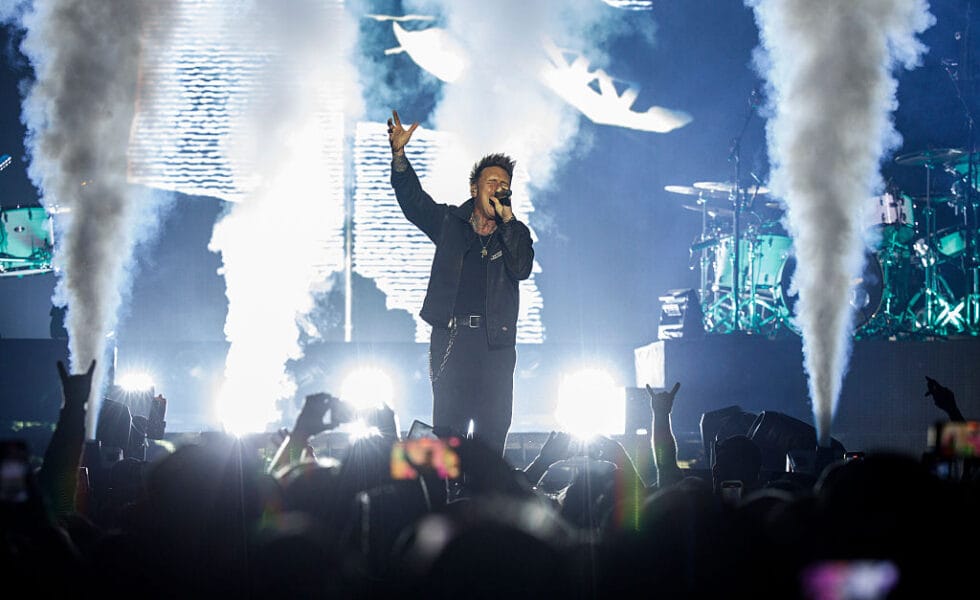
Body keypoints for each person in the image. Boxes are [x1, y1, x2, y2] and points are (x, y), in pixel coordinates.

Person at [387, 110, 534, 456]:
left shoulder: (516, 234)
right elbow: (414, 203)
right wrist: (399, 158)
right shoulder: (450, 223)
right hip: (452, 342)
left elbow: (522, 267)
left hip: (495, 346)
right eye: (491, 183)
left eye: (503, 184)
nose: (498, 189)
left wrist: (509, 221)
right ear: (474, 188)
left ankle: (484, 503)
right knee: (448, 437)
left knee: (490, 438)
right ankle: (445, 502)